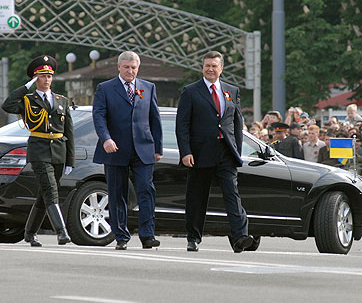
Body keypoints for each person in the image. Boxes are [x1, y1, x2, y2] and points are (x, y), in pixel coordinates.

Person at [175, 51, 254, 253]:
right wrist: (185, 152)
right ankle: (193, 237)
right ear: (203, 67)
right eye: (207, 65)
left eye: (214, 66)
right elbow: (182, 125)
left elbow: (236, 123)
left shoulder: (231, 91)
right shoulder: (191, 91)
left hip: (225, 152)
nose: (210, 69)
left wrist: (236, 149)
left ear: (221, 68)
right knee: (197, 197)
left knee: (232, 194)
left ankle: (240, 237)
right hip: (200, 153)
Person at [92, 51, 163, 250]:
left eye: (133, 68)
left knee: (146, 191)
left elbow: (154, 118)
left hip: (143, 149)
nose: (130, 71)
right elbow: (99, 116)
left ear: (137, 68)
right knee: (117, 194)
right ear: (119, 67)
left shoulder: (148, 87)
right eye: (126, 67)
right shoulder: (105, 88)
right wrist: (106, 138)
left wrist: (158, 147)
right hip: (115, 148)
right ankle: (121, 236)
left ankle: (147, 235)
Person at [1, 54, 74, 246]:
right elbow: (7, 105)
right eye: (42, 76)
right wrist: (26, 87)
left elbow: (69, 132)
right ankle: (62, 232)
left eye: (49, 76)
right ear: (36, 79)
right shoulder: (28, 100)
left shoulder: (61, 100)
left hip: (58, 151)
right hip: (39, 151)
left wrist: (70, 161)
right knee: (51, 191)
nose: (47, 80)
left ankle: (30, 233)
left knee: (44, 195)